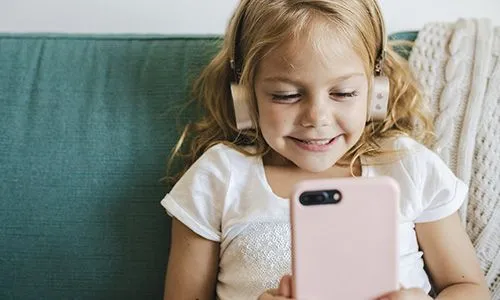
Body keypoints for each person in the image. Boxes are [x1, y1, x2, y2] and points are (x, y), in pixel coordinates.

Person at [161, 0, 491, 299]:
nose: (317, 118)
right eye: (286, 95)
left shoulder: (408, 166)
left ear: (375, 91)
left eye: (344, 93)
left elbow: (469, 288)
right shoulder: (219, 177)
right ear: (245, 96)